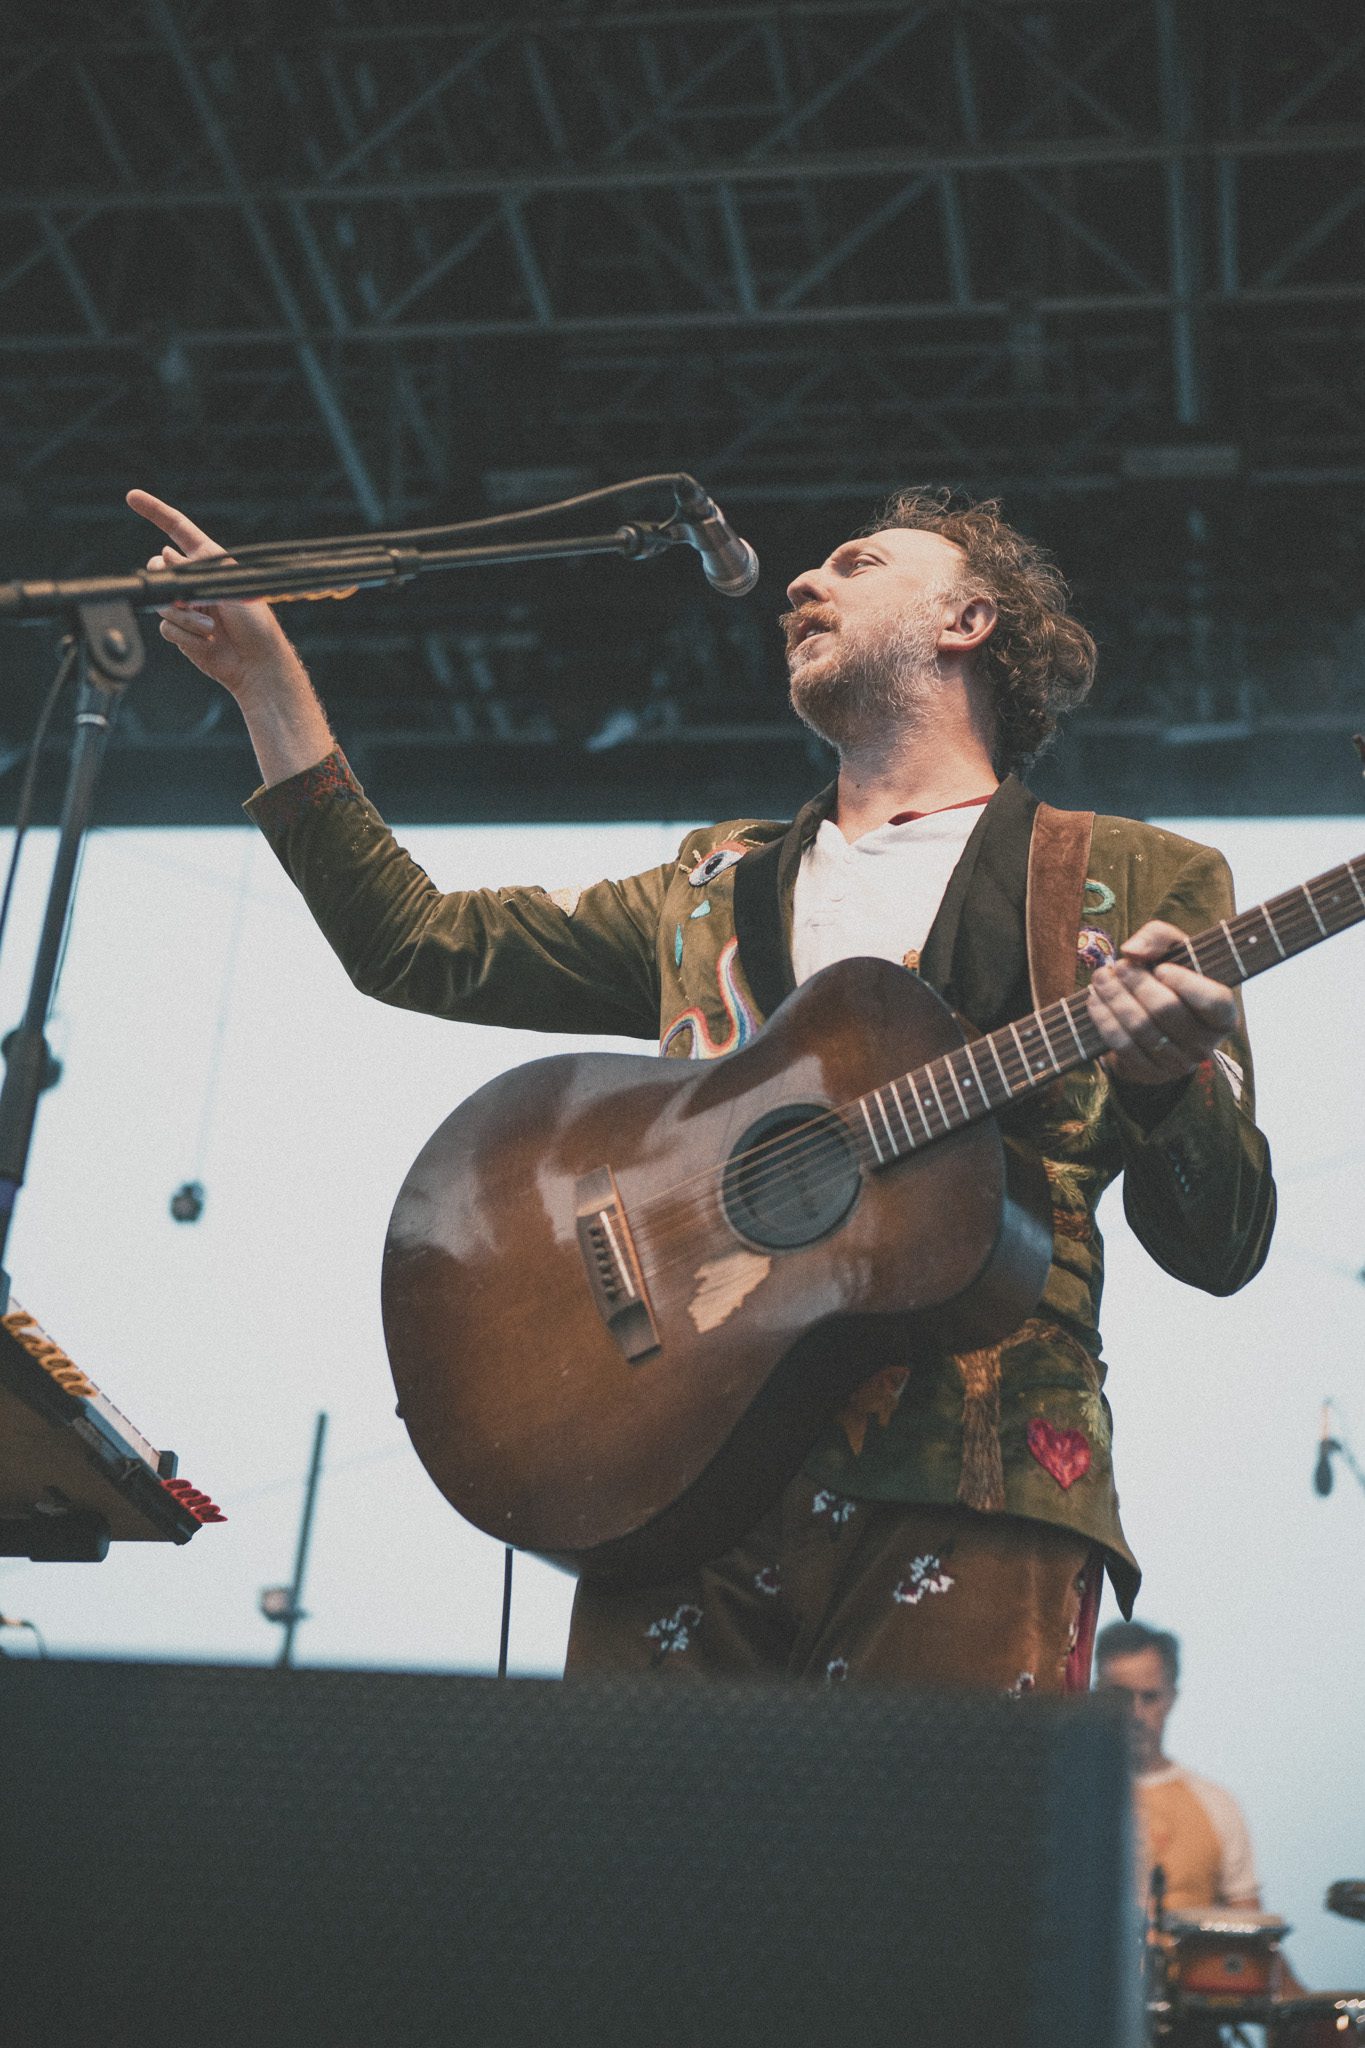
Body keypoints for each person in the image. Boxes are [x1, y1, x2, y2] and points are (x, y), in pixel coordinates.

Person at [127, 485, 1276, 1691]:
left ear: (968, 620)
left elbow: (1223, 1239)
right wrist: (264, 679)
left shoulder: (1137, 877)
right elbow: (414, 941)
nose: (799, 582)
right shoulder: (708, 879)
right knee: (641, 1876)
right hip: (675, 1471)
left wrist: (1171, 1081)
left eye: (856, 560)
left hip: (975, 1482)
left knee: (942, 1878)